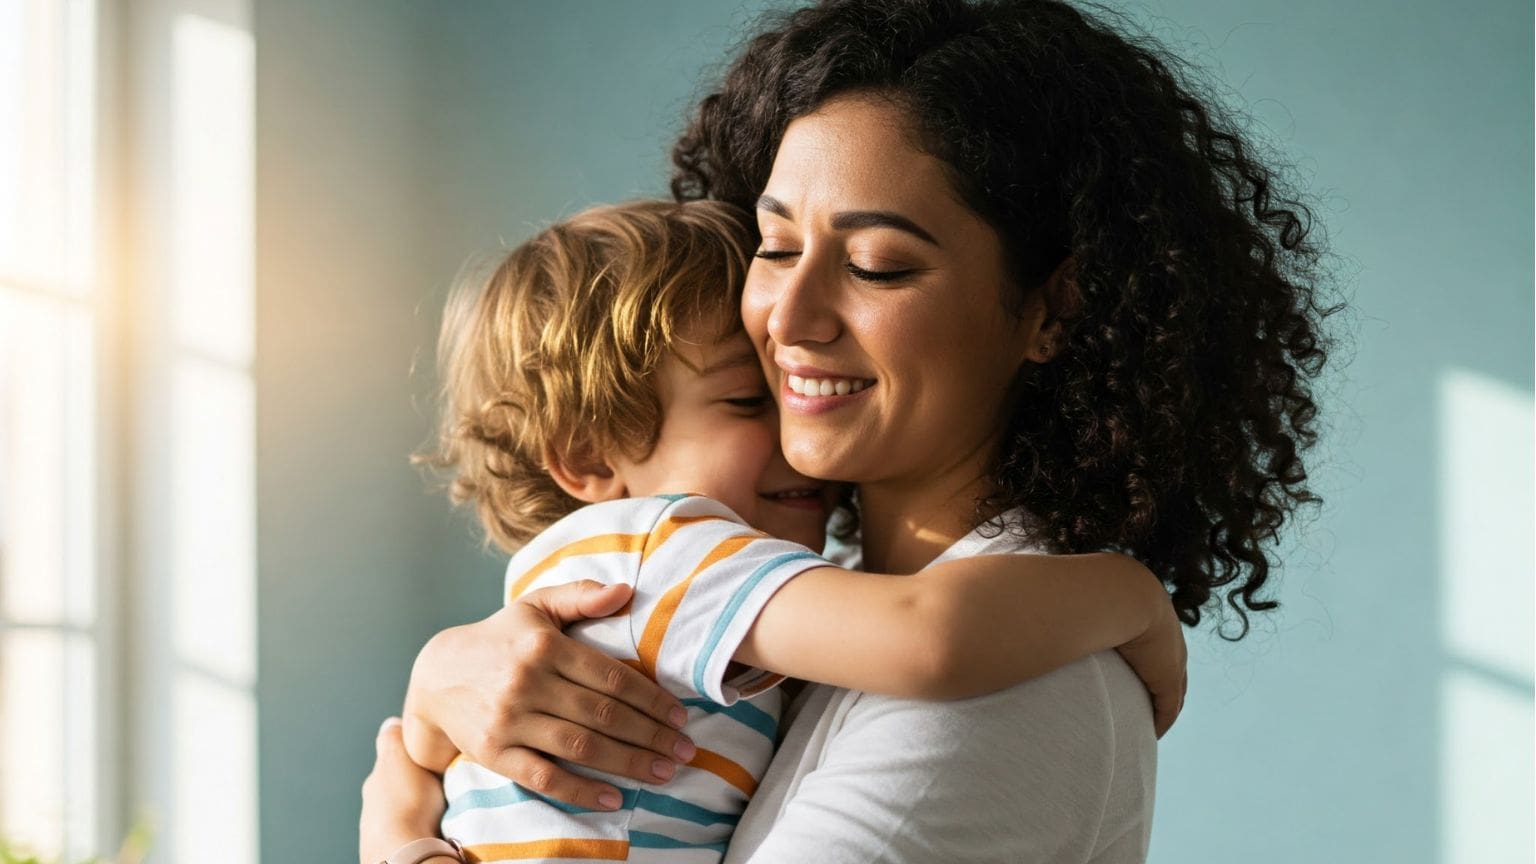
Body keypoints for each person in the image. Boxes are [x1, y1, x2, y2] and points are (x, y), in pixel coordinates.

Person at [362, 0, 1335, 861]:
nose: (789, 316)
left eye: (876, 263)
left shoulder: (1022, 680)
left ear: (1052, 310)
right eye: (778, 246)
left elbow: (937, 644)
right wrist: (442, 691)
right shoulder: (815, 623)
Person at [368, 198, 1183, 864]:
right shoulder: (655, 548)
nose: (793, 417)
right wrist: (1136, 598)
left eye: (878, 265)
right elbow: (929, 636)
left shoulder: (648, 581)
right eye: (744, 400)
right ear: (588, 456)